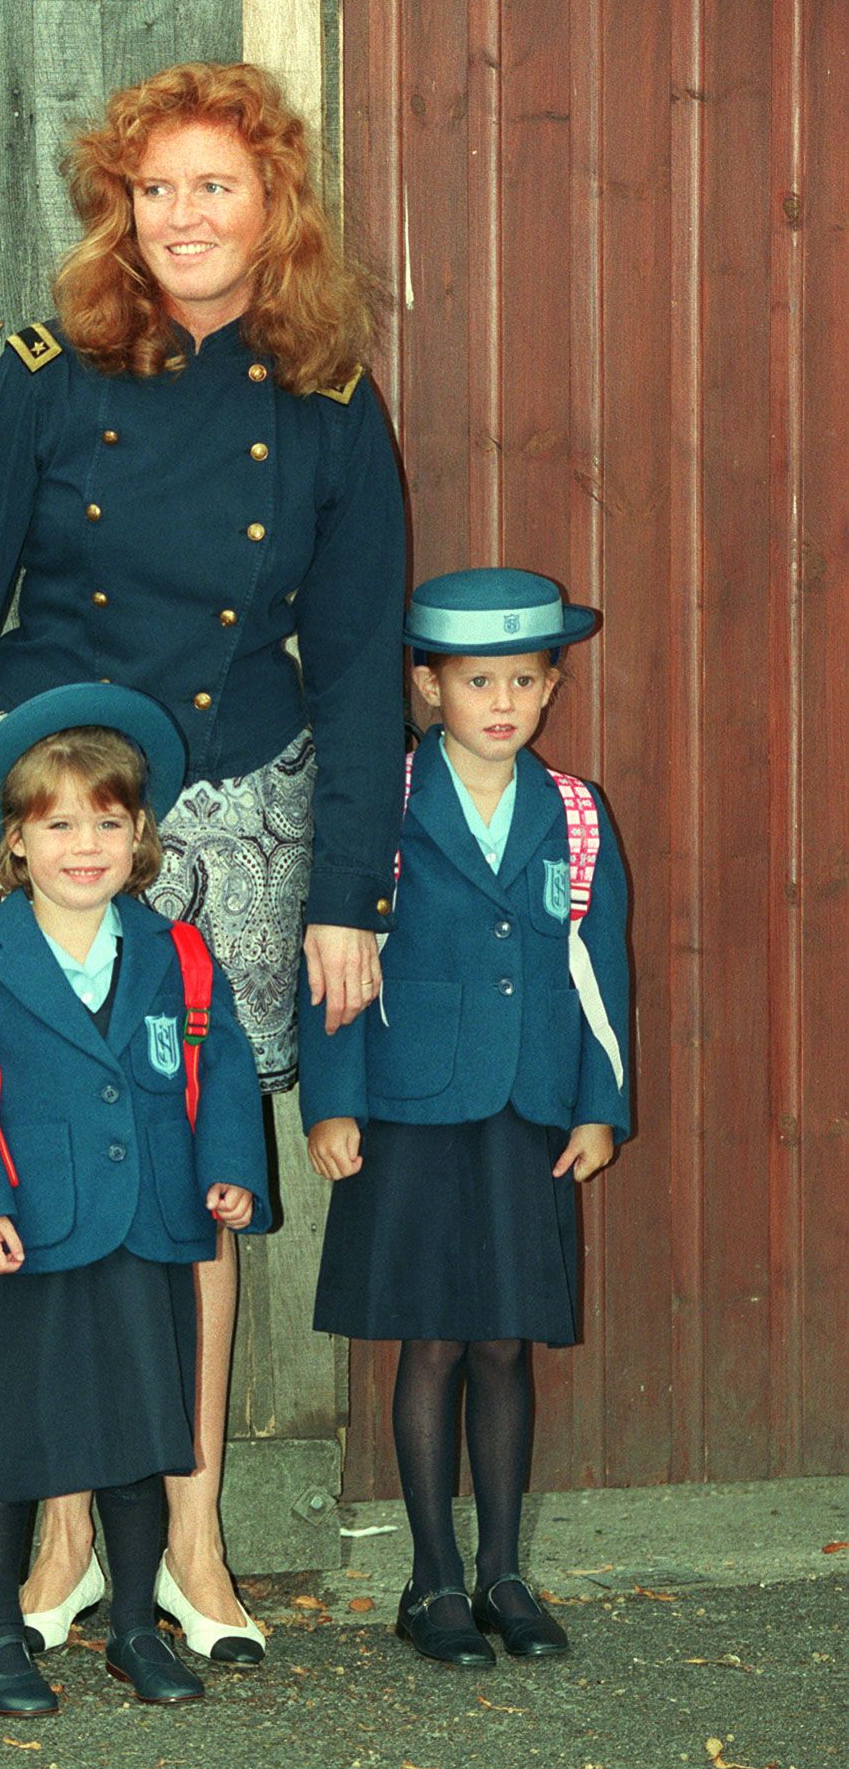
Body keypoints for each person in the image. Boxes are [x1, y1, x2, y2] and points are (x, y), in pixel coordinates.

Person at [0, 61, 406, 1654]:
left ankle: (187, 1536)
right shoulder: (45, 372)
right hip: (52, 793)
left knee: (196, 1186)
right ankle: (50, 1539)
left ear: (272, 208)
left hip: (238, 803)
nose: (179, 215)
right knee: (30, 1164)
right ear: (121, 203)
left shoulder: (327, 402)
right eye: (152, 187)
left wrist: (344, 892)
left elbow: (363, 655)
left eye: (213, 186)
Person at [298, 568, 631, 1667]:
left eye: (525, 681)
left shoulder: (573, 816)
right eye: (477, 679)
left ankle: (503, 1573)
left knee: (503, 1343)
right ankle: (430, 1578)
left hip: (526, 1113)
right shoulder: (380, 805)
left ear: (549, 688)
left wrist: (599, 1107)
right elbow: (338, 961)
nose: (503, 701)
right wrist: (332, 1100)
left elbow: (599, 971)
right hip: (408, 1111)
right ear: (429, 685)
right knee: (430, 1342)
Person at [0, 684, 271, 1712]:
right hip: (32, 1233)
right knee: (18, 1438)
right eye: (58, 823)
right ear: (15, 844)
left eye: (107, 823)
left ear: (139, 836)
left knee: (138, 1431)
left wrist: (231, 1168)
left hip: (154, 1225)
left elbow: (225, 1067)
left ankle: (131, 1626)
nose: (86, 845)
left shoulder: (177, 955)